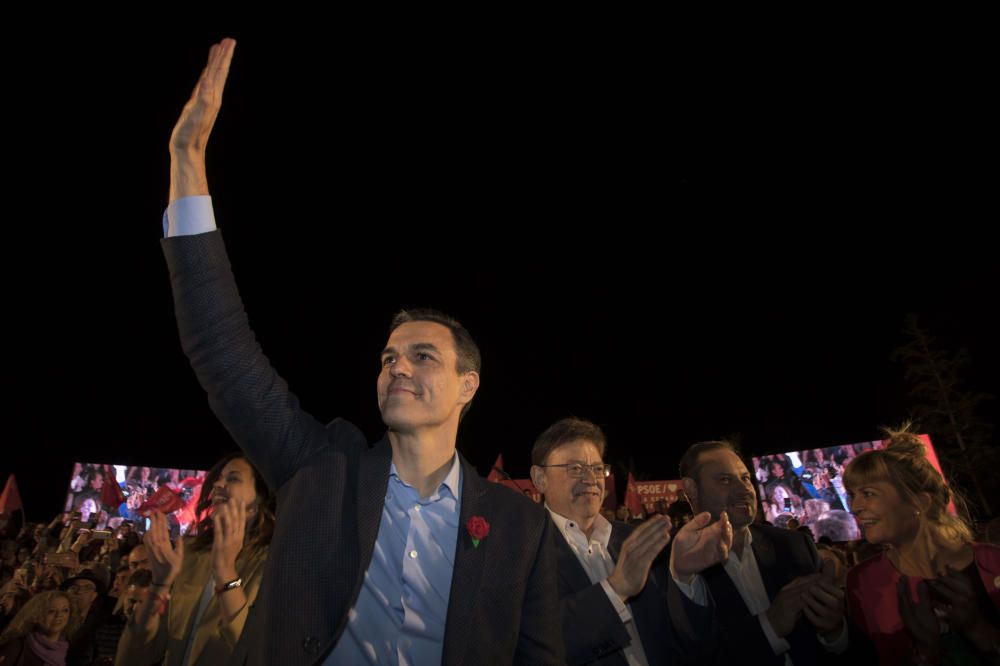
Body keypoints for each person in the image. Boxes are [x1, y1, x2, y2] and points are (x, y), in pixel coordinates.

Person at [158, 38, 561, 664]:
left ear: (468, 385)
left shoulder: (519, 527)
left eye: (423, 356)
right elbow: (222, 351)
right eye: (388, 358)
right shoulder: (319, 469)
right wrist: (187, 159)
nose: (397, 365)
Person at [529, 418, 729, 664]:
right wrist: (615, 589)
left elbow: (696, 641)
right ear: (539, 478)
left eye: (596, 468)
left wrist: (684, 577)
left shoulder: (640, 539)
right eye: (575, 468)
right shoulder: (523, 552)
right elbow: (534, 646)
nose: (591, 479)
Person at [671, 440, 870, 664]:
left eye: (745, 478)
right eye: (725, 480)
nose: (744, 489)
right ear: (691, 490)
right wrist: (770, 626)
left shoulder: (796, 546)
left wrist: (834, 631)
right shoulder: (674, 571)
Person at [844, 426, 1000, 664]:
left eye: (868, 493)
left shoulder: (993, 562)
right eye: (851, 495)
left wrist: (976, 628)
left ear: (920, 501)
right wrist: (925, 650)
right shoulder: (863, 583)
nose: (855, 507)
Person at [116, 454, 273, 666]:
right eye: (219, 478)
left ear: (257, 503)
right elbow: (137, 655)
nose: (218, 483)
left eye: (233, 478)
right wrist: (159, 585)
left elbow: (253, 651)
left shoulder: (273, 563)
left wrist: (226, 573)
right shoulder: (190, 551)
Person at [0, 590, 79, 665]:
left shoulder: (71, 650)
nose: (59, 615)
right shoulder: (16, 647)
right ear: (35, 617)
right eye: (51, 611)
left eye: (65, 610)